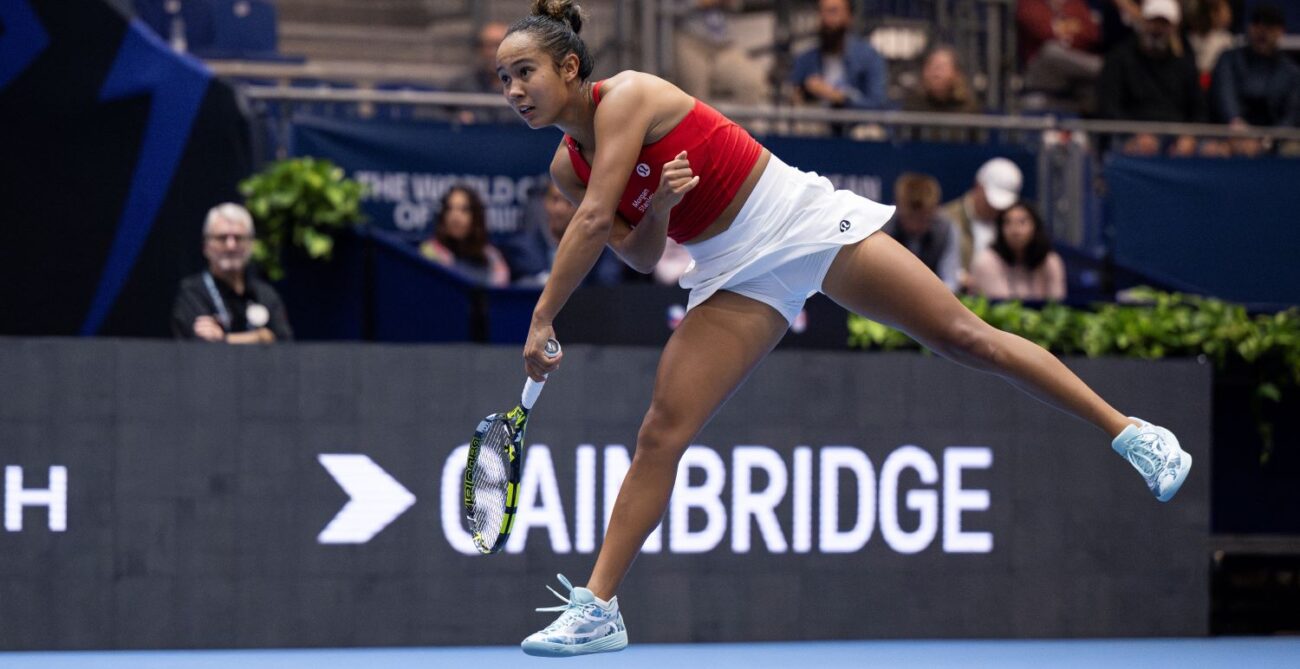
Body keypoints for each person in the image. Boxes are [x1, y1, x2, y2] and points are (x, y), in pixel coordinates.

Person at [498, 1, 1192, 657]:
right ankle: (599, 607)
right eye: (503, 79)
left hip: (798, 221)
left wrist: (541, 317)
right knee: (661, 431)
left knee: (962, 336)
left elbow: (592, 223)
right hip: (730, 269)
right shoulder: (568, 165)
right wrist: (662, 206)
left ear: (568, 68)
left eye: (524, 71)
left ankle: (1132, 432)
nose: (513, 89)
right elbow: (640, 249)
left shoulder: (630, 97)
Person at [1096, 0, 1206, 156]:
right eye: (1152, 22)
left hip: (1176, 135)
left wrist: (1189, 136)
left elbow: (1199, 109)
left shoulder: (1185, 62)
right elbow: (1109, 106)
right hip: (1129, 133)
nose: (1157, 29)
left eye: (1164, 24)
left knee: (1212, 150)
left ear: (1174, 28)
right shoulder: (1119, 57)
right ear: (1142, 21)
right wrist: (1133, 134)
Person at [171, 203, 293, 343]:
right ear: (206, 246)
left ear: (251, 244)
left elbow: (284, 345)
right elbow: (197, 345)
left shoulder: (265, 295)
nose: (231, 246)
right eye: (222, 238)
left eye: (239, 238)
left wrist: (223, 339)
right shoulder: (192, 293)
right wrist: (259, 337)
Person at [788, 0, 888, 114]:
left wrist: (838, 97)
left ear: (849, 17)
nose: (826, 18)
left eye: (833, 11)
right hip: (816, 126)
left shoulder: (869, 57)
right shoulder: (805, 59)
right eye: (822, 11)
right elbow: (791, 100)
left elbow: (877, 104)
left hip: (855, 125)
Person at [1210, 4, 1300, 131]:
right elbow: (1225, 98)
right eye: (1257, 24)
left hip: (1275, 143)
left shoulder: (1291, 72)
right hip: (1230, 136)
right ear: (1249, 27)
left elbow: (1291, 115)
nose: (1262, 31)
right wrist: (1238, 126)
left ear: (1280, 31)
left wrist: (1268, 140)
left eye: (1269, 26)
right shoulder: (1228, 60)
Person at [941, 157, 1024, 287]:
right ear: (978, 187)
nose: (996, 208)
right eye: (990, 201)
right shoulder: (946, 219)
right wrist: (960, 277)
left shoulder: (1011, 223)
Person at [672, 0, 770, 106]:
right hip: (688, 39)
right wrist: (698, 3)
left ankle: (735, 123)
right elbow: (665, 8)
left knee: (752, 82)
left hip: (722, 44)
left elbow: (737, 6)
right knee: (696, 99)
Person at [968, 201, 1067, 301]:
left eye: (1022, 222)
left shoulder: (1050, 261)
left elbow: (1057, 305)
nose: (1015, 230)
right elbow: (1004, 308)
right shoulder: (986, 261)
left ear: (1035, 227)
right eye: (1008, 223)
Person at [1016, 0, 1103, 112]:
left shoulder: (1074, 4)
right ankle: (1103, 68)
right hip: (1040, 73)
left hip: (1074, 73)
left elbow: (1092, 33)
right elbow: (1044, 32)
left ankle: (1103, 68)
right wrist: (1073, 29)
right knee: (1052, 49)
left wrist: (1060, 29)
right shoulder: (1030, 3)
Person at [881, 173, 961, 292]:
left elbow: (950, 281)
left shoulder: (946, 229)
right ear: (898, 206)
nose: (916, 225)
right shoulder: (883, 228)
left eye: (924, 219)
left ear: (935, 209)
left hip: (932, 300)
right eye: (910, 217)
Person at [419, 186, 511, 287]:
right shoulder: (429, 252)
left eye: (464, 210)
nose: (455, 216)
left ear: (476, 217)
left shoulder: (492, 257)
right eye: (449, 209)